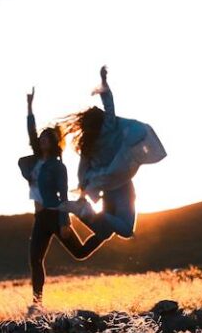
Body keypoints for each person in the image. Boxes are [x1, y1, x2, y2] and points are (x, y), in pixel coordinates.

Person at [60, 66, 167, 259]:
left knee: (105, 231)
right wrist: (103, 81)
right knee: (126, 230)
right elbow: (109, 105)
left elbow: (82, 171)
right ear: (101, 119)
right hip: (124, 186)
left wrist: (84, 190)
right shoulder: (109, 127)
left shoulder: (87, 145)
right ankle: (85, 212)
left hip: (106, 190)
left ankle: (85, 212)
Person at [18, 88, 89, 312]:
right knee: (35, 260)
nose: (42, 140)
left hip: (54, 214)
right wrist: (29, 107)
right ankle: (37, 303)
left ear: (54, 142)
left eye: (47, 138)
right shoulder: (37, 161)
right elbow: (31, 131)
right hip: (40, 217)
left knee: (79, 253)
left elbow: (63, 196)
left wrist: (64, 221)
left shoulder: (58, 166)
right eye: (41, 138)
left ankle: (104, 234)